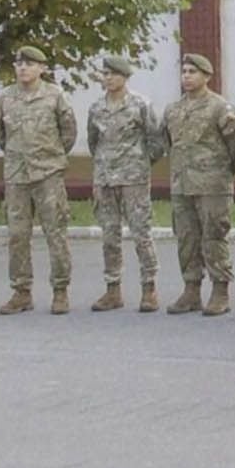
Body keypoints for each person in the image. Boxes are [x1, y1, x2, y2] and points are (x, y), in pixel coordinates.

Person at [0, 46, 77, 314]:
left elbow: (68, 133)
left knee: (56, 233)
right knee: (17, 235)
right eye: (19, 63)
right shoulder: (5, 98)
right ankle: (21, 291)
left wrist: (50, 157)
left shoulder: (55, 96)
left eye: (29, 63)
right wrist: (17, 156)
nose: (23, 68)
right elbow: (0, 133)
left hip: (47, 174)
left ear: (42, 68)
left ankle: (60, 291)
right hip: (16, 175)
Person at [159, 54, 235, 317]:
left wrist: (223, 171)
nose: (186, 76)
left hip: (212, 184)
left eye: (192, 72)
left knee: (214, 236)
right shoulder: (173, 110)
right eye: (184, 71)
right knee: (186, 238)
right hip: (182, 184)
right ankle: (191, 289)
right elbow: (168, 142)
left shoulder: (220, 108)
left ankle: (220, 290)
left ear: (207, 76)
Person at [86, 56, 163, 312]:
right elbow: (93, 141)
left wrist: (139, 164)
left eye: (113, 74)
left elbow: (155, 140)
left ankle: (149, 287)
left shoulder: (140, 104)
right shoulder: (97, 107)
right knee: (109, 236)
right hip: (105, 178)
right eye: (105, 74)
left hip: (133, 179)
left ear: (124, 77)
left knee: (141, 234)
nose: (108, 78)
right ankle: (112, 289)